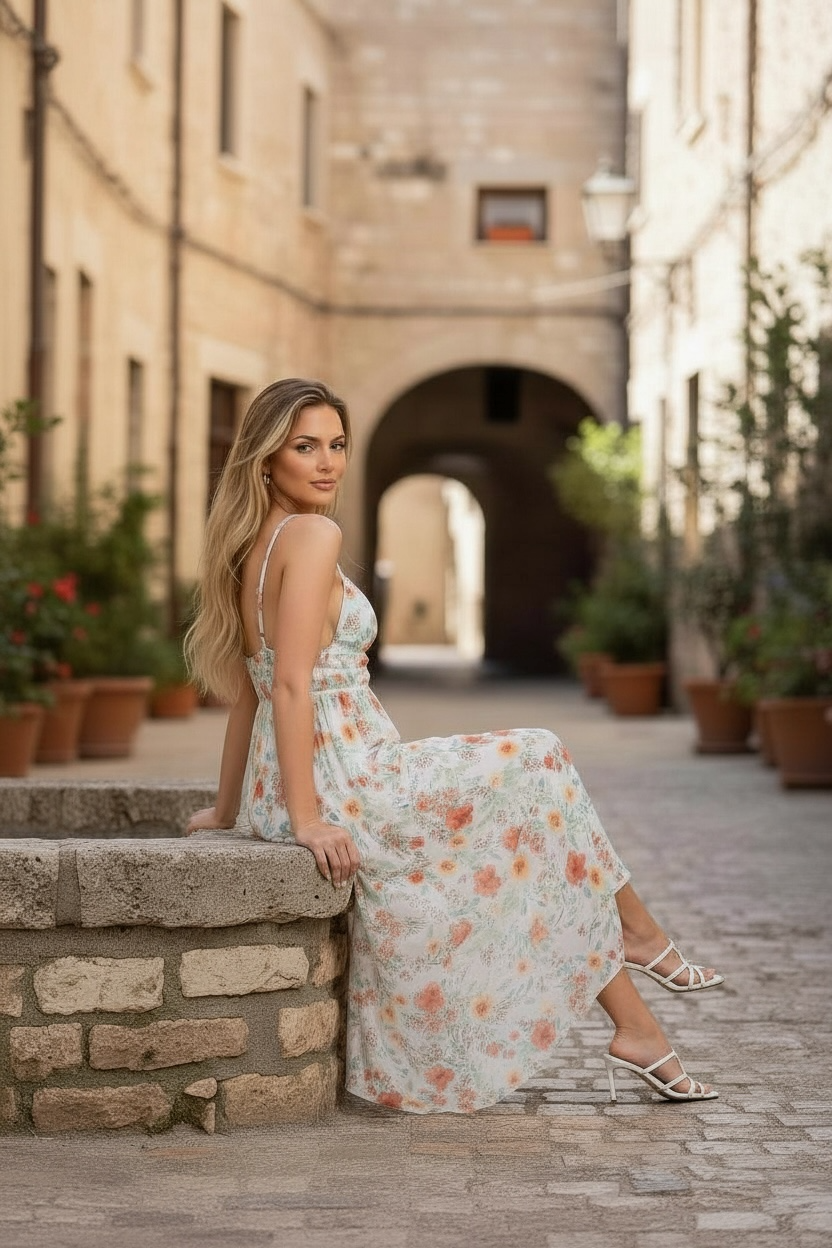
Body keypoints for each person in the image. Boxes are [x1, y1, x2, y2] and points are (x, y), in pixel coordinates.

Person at [185, 378, 723, 1115]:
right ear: (265, 457)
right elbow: (284, 687)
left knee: (533, 830)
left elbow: (249, 689)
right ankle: (638, 935)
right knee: (539, 756)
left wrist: (228, 809)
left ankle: (639, 1025)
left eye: (337, 444)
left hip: (309, 777)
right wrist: (308, 819)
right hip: (348, 777)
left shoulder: (258, 545)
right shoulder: (312, 536)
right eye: (304, 446)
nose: (328, 463)